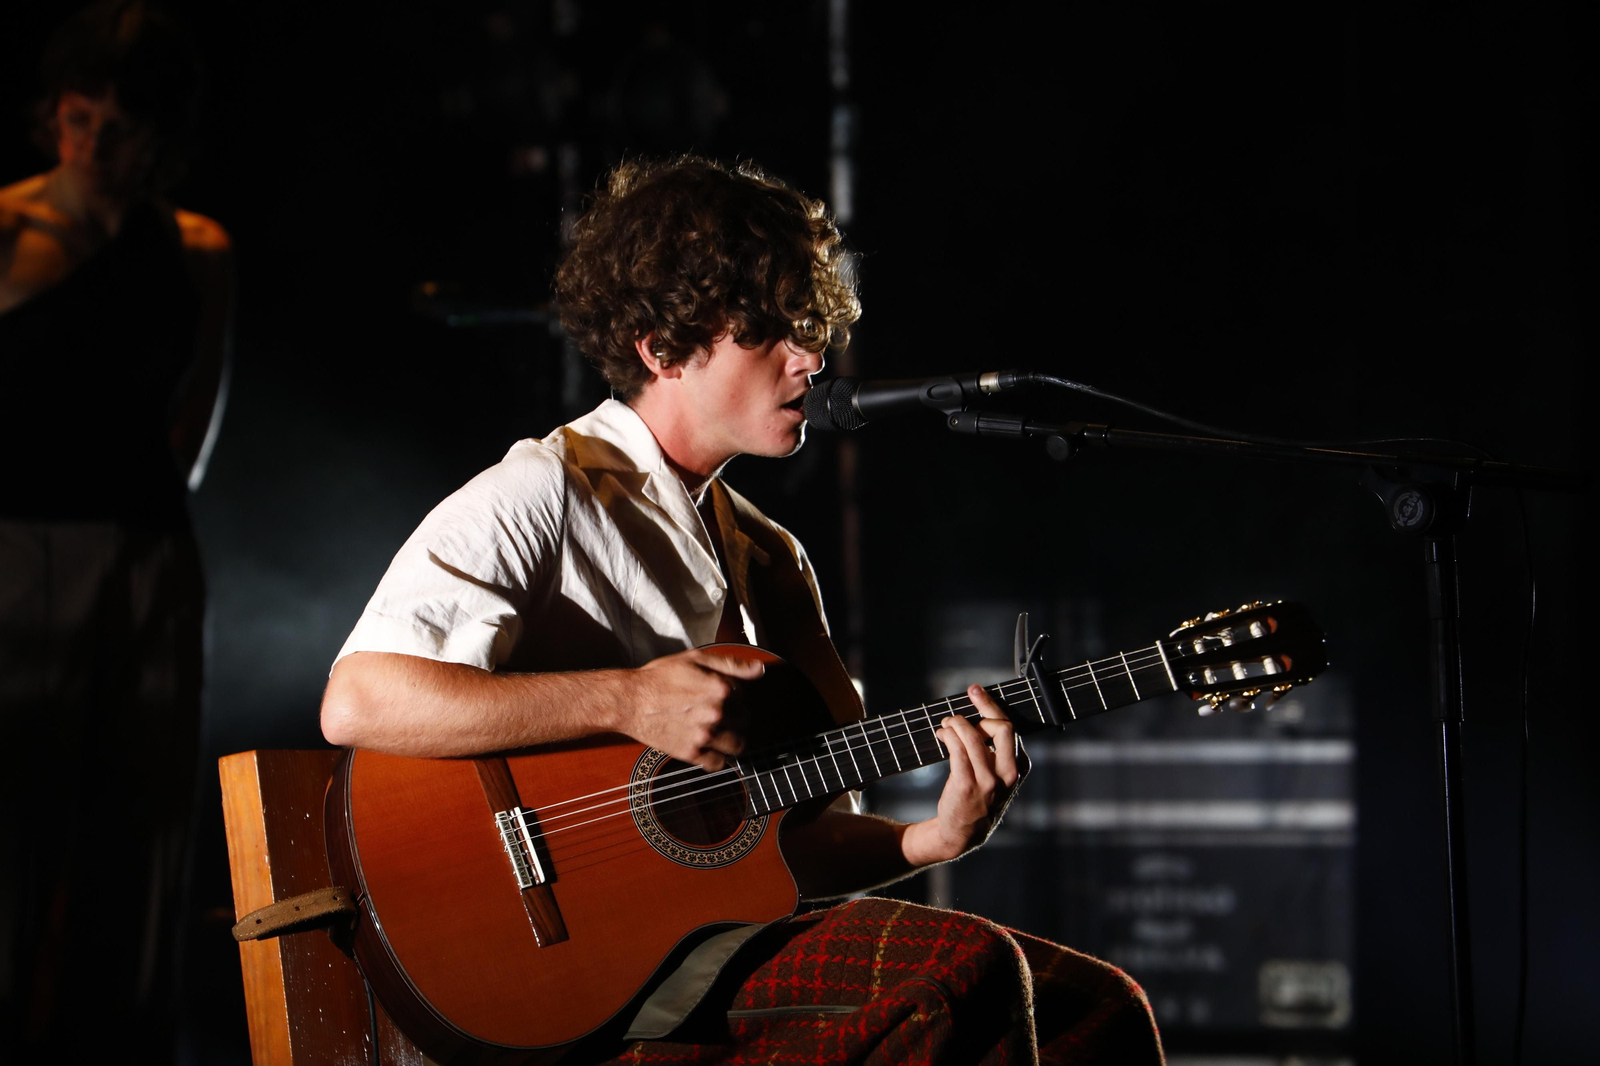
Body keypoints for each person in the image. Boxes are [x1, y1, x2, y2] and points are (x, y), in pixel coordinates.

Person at [321, 156, 1161, 1064]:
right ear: (661, 348)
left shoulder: (772, 560)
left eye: (811, 329)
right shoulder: (544, 492)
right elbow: (359, 700)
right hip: (575, 973)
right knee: (962, 968)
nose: (811, 359)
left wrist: (929, 840)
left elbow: (785, 845)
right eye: (770, 333)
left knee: (1100, 1012)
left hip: (715, 951)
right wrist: (625, 700)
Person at [0, 2, 231, 1061]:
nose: (93, 143)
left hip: (149, 555)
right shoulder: (9, 227)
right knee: (14, 816)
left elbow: (196, 424)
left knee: (145, 823)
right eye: (78, 117)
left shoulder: (198, 248)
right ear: (53, 114)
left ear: (159, 138)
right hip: (18, 548)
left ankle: (128, 1044)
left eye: (120, 126)